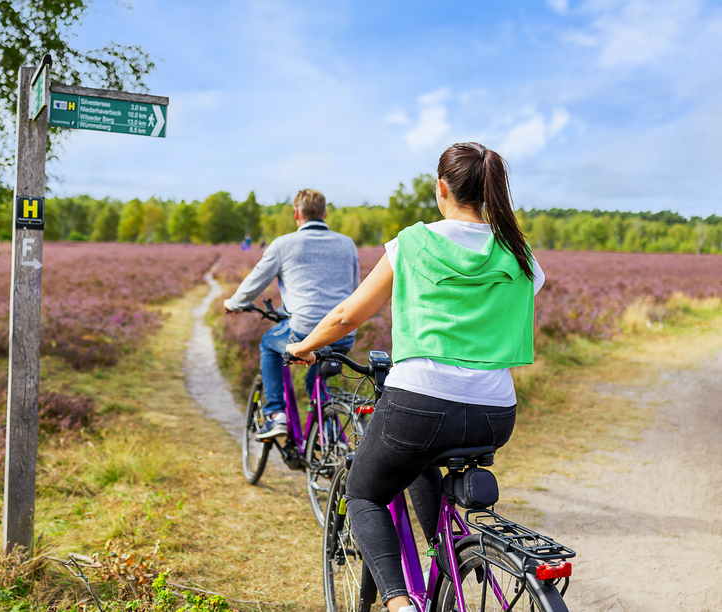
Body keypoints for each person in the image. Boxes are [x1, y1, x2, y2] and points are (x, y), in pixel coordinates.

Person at [286, 143, 545, 612]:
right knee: (419, 460)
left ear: (441, 188)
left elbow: (347, 315)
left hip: (419, 402)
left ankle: (399, 603)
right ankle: (443, 553)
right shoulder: (518, 252)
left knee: (363, 493)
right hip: (494, 413)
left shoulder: (412, 243)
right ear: (488, 192)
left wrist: (302, 346)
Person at [224, 189, 360, 439]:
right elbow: (354, 289)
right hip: (344, 331)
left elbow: (254, 283)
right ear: (325, 213)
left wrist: (234, 303)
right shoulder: (347, 243)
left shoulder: (283, 244)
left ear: (296, 213)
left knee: (269, 345)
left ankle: (277, 414)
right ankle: (330, 440)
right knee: (315, 383)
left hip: (304, 329)